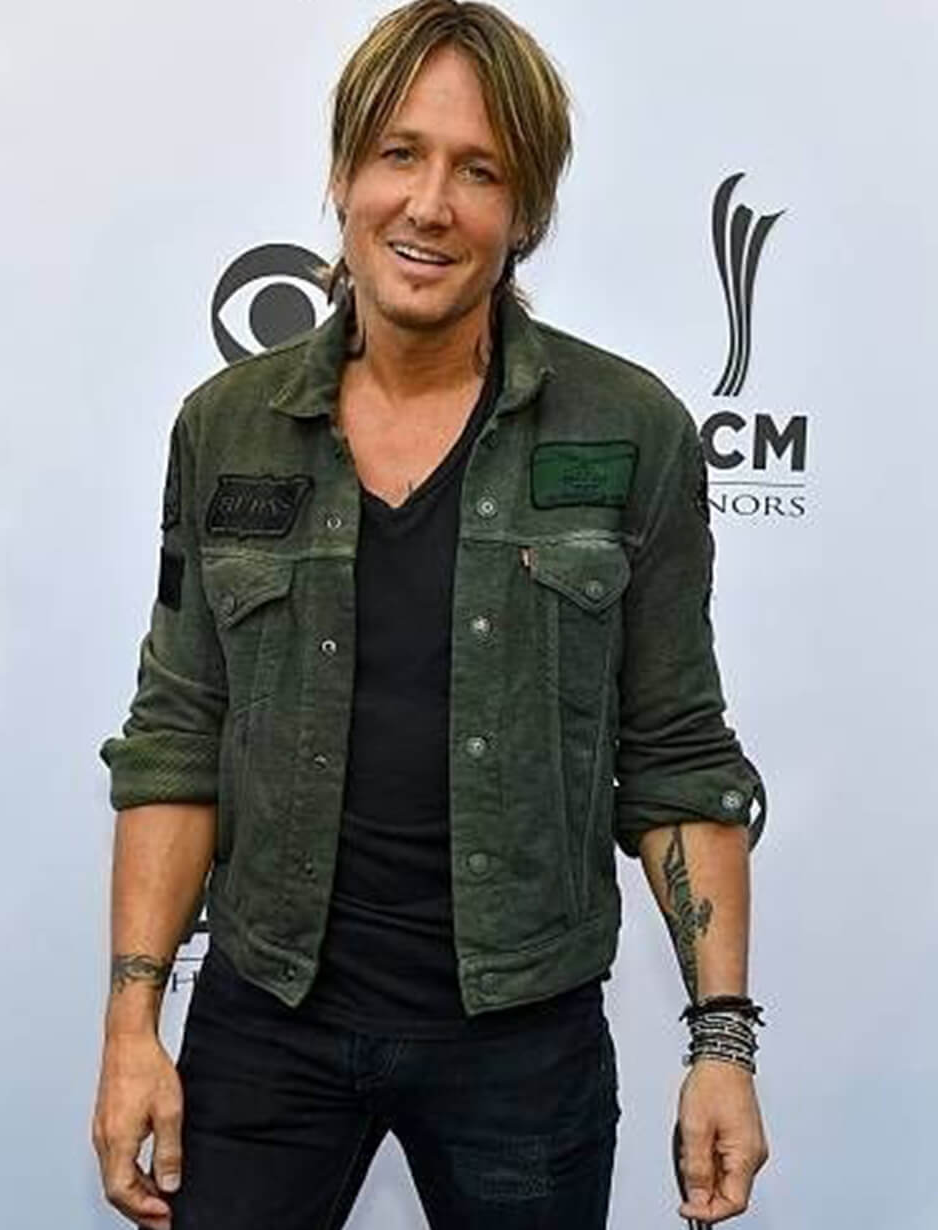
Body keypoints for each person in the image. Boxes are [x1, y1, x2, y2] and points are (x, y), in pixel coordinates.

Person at [91, 2, 769, 1227]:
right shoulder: (227, 428)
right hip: (266, 1023)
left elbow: (676, 754)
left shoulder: (630, 432)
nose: (428, 204)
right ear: (343, 173)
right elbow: (178, 735)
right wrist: (132, 1024)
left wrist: (720, 1043)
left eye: (478, 170)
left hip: (524, 1045)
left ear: (524, 212)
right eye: (398, 153)